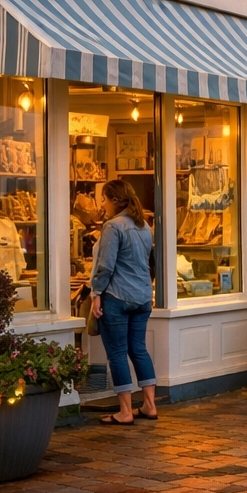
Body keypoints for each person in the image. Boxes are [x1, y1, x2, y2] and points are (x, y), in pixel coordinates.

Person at [89, 179, 158, 426]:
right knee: (138, 349)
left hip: (116, 296)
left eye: (105, 199)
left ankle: (125, 411)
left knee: (117, 353)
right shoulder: (143, 226)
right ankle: (150, 405)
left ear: (116, 200)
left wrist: (96, 294)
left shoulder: (113, 226)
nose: (102, 204)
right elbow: (150, 263)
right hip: (142, 296)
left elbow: (105, 265)